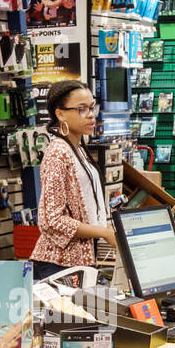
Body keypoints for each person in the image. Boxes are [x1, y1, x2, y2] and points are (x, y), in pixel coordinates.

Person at [29, 80, 116, 281]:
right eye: (81, 109)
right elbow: (51, 220)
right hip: (58, 263)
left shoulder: (77, 149)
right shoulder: (58, 153)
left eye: (92, 107)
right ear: (60, 114)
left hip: (77, 260)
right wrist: (103, 232)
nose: (91, 115)